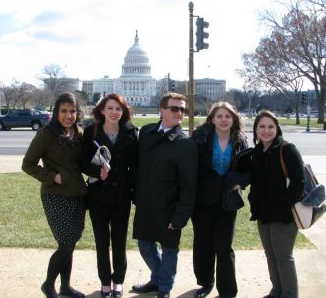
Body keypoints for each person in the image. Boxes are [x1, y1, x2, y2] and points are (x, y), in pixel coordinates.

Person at [132, 92, 198, 298]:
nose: (180, 113)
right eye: (175, 108)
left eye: (183, 109)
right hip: (145, 203)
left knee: (169, 250)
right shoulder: (146, 132)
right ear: (161, 111)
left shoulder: (185, 144)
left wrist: (180, 216)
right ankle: (157, 279)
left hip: (169, 207)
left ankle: (164, 288)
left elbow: (189, 186)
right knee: (144, 245)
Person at [22, 93, 87, 298]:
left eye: (73, 111)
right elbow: (28, 165)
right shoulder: (46, 134)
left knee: (70, 244)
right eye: (64, 111)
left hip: (77, 193)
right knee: (66, 243)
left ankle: (65, 287)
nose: (69, 116)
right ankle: (48, 285)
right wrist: (52, 176)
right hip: (55, 195)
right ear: (56, 112)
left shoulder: (78, 132)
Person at [80, 94, 138, 298]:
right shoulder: (91, 132)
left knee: (119, 241)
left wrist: (129, 187)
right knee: (102, 241)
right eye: (110, 108)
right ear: (102, 110)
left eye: (118, 109)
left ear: (123, 112)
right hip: (98, 196)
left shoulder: (131, 133)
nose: (114, 112)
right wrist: (96, 172)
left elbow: (136, 167)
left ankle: (118, 281)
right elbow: (82, 161)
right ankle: (105, 281)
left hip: (121, 196)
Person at [190, 102, 249, 298]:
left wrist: (239, 181)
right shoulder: (201, 138)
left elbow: (247, 171)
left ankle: (227, 291)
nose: (224, 120)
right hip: (203, 201)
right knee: (203, 244)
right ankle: (205, 283)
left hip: (227, 201)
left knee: (224, 247)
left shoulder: (240, 141)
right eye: (219, 116)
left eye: (228, 116)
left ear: (233, 119)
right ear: (212, 119)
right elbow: (190, 167)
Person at [245, 110, 305, 298]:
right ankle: (276, 291)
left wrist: (284, 204)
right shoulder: (257, 152)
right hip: (263, 213)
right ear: (255, 130)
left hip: (284, 215)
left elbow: (299, 182)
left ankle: (289, 295)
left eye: (271, 126)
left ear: (277, 129)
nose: (266, 130)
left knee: (283, 257)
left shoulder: (287, 149)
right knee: (270, 255)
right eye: (261, 126)